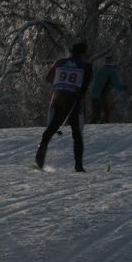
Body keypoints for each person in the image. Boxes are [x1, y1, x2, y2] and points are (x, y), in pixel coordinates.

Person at [35, 41, 94, 171]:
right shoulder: (86, 66)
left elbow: (48, 78)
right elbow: (85, 85)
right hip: (73, 100)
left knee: (51, 129)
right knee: (77, 133)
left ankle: (40, 156)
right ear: (83, 54)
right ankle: (78, 166)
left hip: (58, 97)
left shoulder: (59, 62)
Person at [89, 55, 126, 123]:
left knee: (96, 115)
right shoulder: (112, 71)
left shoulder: (100, 69)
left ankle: (89, 130)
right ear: (112, 63)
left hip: (93, 94)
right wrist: (124, 88)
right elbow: (116, 85)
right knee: (107, 113)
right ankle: (106, 129)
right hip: (102, 94)